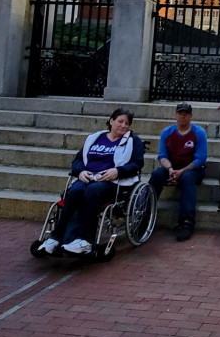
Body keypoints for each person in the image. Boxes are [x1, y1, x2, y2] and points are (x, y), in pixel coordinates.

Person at [38, 107, 144, 255]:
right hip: (89, 178)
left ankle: (85, 240)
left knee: (92, 191)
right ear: (111, 121)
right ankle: (56, 238)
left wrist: (117, 171)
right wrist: (80, 171)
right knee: (75, 191)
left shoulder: (133, 141)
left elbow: (137, 164)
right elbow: (77, 161)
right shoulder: (95, 138)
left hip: (114, 183)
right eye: (120, 121)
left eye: (127, 123)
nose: (123, 126)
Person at [149, 102, 208, 242]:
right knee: (156, 175)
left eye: (186, 114)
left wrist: (182, 170)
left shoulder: (199, 132)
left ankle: (186, 222)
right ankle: (145, 213)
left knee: (187, 178)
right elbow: (162, 156)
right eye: (180, 114)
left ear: (191, 116)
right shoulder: (167, 132)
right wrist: (170, 169)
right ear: (175, 115)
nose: (183, 117)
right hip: (172, 166)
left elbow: (201, 158)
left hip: (192, 169)